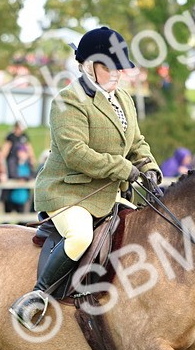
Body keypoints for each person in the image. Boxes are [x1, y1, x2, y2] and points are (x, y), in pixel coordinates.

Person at [9, 26, 161, 326]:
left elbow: (136, 142)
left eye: (120, 67)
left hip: (109, 194)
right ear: (88, 66)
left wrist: (149, 167)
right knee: (80, 236)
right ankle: (36, 296)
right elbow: (76, 153)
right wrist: (123, 169)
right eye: (109, 66)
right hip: (68, 191)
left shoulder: (124, 99)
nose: (117, 73)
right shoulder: (68, 100)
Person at [5, 143, 36, 213]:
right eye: (21, 152)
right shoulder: (12, 161)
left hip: (23, 194)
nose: (22, 154)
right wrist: (21, 178)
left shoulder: (28, 164)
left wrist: (24, 179)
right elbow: (12, 174)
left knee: (22, 217)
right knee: (7, 218)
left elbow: (32, 174)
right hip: (11, 193)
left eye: (24, 152)